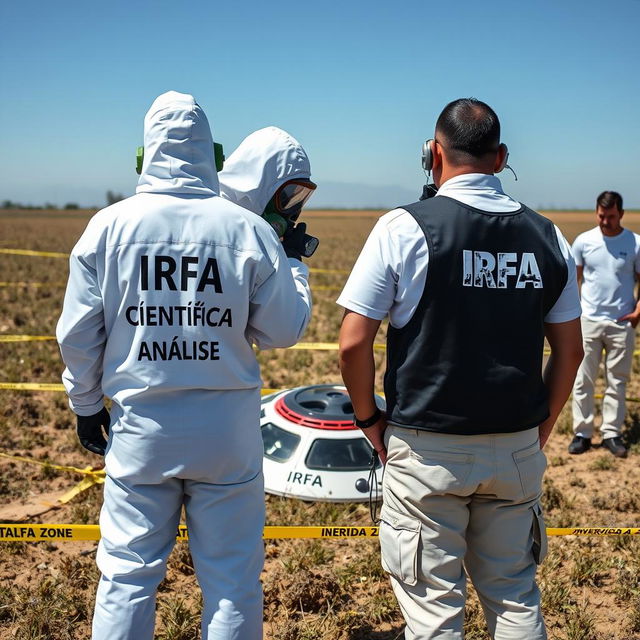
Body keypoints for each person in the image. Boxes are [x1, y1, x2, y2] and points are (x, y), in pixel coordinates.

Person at [56, 91, 313, 640]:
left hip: (140, 433)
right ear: (212, 155)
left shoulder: (107, 228)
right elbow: (284, 330)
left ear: (145, 153)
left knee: (127, 576)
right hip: (227, 437)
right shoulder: (250, 232)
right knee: (231, 581)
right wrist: (293, 264)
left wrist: (84, 406)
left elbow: (77, 336)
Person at [337, 98, 583, 640]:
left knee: (434, 610)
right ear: (501, 157)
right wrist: (541, 426)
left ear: (433, 153)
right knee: (516, 596)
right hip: (516, 448)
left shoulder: (403, 228)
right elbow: (571, 351)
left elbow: (354, 343)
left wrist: (368, 420)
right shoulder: (549, 237)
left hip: (427, 450)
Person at [569, 191, 640, 458]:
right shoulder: (583, 242)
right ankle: (582, 433)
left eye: (610, 216)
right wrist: (572, 316)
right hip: (588, 321)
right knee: (582, 380)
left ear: (621, 214)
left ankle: (612, 433)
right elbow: (573, 282)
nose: (605, 221)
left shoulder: (635, 243)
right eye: (601, 216)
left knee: (617, 382)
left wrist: (637, 313)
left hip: (622, 323)